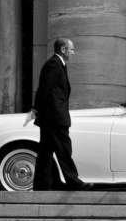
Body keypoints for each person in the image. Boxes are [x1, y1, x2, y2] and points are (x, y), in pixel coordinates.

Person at [32, 38, 93, 191]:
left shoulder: (58, 64)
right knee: (64, 148)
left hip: (52, 117)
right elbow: (44, 88)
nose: (73, 52)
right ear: (63, 50)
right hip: (54, 117)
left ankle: (41, 184)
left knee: (46, 151)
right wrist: (35, 109)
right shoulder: (54, 64)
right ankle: (73, 181)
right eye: (71, 49)